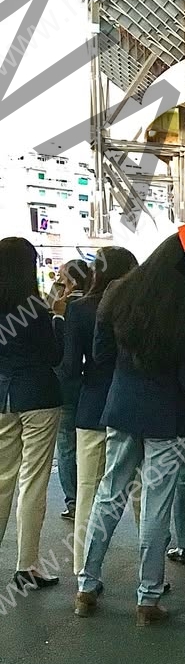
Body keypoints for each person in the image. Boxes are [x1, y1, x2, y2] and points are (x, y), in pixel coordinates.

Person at [74, 234, 185, 625]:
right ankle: (147, 597)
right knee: (156, 502)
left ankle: (86, 584)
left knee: (109, 492)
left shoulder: (119, 290)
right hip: (167, 413)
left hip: (122, 405)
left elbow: (101, 355)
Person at [61, 245, 138, 574]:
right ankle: (148, 575)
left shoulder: (77, 309)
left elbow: (69, 365)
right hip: (132, 406)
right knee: (140, 491)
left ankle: (83, 571)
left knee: (88, 491)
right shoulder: (139, 308)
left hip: (91, 406)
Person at [0, 236, 63, 591]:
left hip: (1, 396)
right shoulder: (35, 310)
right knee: (33, 480)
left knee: (1, 478)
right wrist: (57, 320)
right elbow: (54, 357)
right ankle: (27, 565)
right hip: (37, 396)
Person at [51, 259, 92, 520]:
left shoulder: (66, 308)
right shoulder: (96, 304)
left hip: (67, 384)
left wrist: (56, 314)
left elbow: (61, 350)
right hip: (92, 384)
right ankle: (88, 497)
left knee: (66, 445)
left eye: (61, 277)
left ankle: (74, 501)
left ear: (72, 281)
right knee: (89, 445)